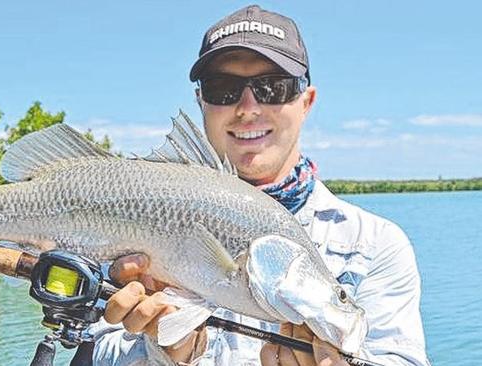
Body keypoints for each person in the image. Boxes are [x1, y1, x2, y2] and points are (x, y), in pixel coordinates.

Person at [88, 5, 430, 366]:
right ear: (200, 101)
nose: (248, 108)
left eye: (273, 87)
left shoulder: (376, 245)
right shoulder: (118, 208)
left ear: (306, 102)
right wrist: (171, 351)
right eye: (223, 89)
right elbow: (96, 348)